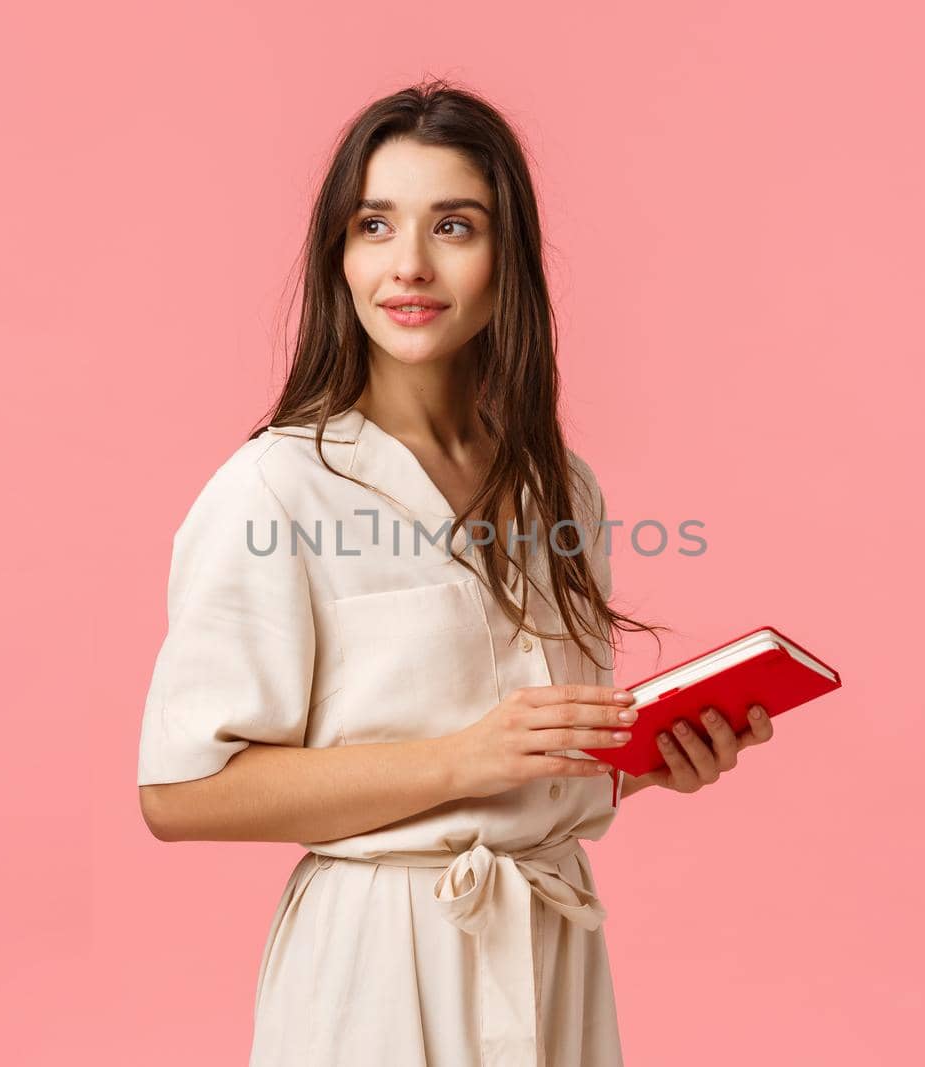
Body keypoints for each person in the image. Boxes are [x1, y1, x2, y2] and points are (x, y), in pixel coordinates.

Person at [136, 79, 773, 1067]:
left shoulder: (559, 485)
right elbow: (180, 793)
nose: (409, 265)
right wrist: (461, 757)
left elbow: (522, 760)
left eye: (455, 225)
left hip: (552, 941)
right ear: (337, 255)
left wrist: (637, 762)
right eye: (375, 224)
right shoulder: (275, 488)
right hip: (380, 967)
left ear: (505, 256)